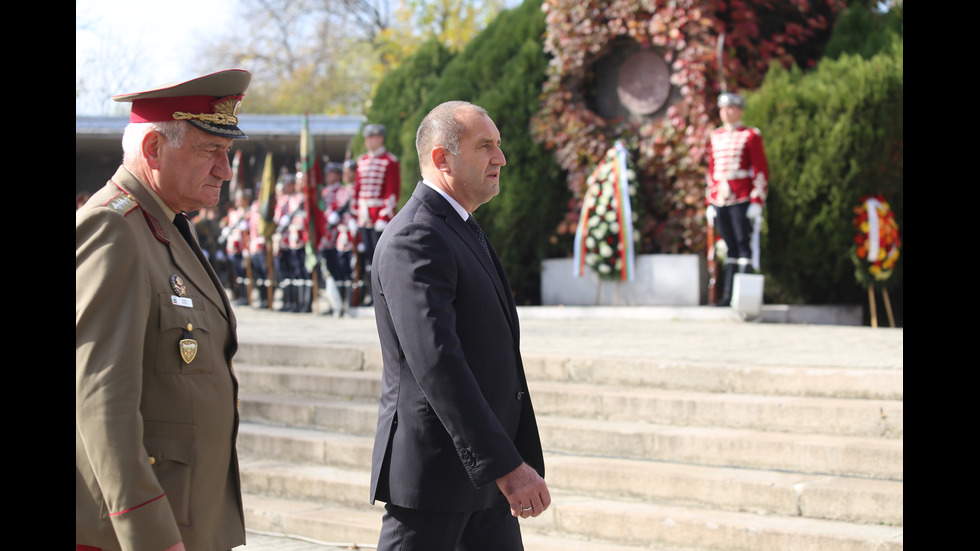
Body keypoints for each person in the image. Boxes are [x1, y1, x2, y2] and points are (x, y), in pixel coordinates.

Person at [76, 69, 250, 551]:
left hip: (189, 516)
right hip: (139, 531)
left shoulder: (167, 222)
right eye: (208, 151)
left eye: (227, 152)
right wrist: (147, 530)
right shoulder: (113, 230)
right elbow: (100, 401)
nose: (226, 170)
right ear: (153, 149)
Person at [369, 101, 550, 550]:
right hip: (436, 481)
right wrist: (506, 466)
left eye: (499, 145)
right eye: (485, 146)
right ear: (441, 158)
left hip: (482, 477)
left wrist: (504, 460)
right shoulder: (418, 235)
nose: (501, 158)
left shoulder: (459, 227)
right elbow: (438, 363)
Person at [705, 91, 769, 306]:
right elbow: (712, 171)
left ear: (739, 110)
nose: (726, 112)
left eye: (730, 108)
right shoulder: (716, 136)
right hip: (720, 199)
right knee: (729, 246)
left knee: (744, 245)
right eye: (723, 108)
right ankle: (727, 295)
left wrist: (756, 201)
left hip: (741, 198)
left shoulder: (750, 135)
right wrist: (710, 202)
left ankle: (744, 297)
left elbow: (760, 170)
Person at [353, 123, 400, 304]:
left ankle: (382, 296)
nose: (368, 141)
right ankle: (369, 294)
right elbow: (357, 190)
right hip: (364, 216)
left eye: (371, 137)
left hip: (379, 216)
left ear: (380, 138)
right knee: (366, 259)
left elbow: (392, 191)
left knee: (379, 257)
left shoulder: (389, 161)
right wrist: (355, 214)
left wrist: (383, 216)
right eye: (367, 138)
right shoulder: (362, 161)